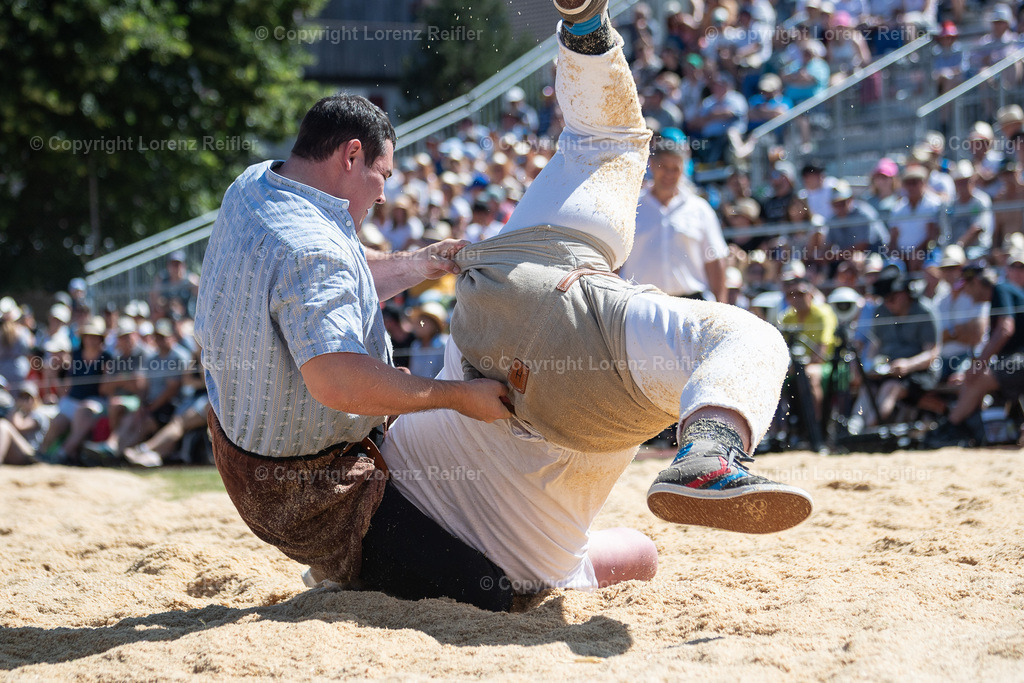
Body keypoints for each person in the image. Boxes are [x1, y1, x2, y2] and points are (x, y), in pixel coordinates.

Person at [374, 1, 813, 611]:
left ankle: (713, 445)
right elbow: (644, 553)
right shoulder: (393, 512)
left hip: (577, 366)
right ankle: (584, 28)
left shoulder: (543, 559)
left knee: (744, 340)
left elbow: (636, 554)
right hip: (501, 310)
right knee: (606, 147)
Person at [194, 91, 511, 606]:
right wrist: (457, 395)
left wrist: (417, 264)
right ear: (351, 155)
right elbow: (336, 380)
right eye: (382, 174)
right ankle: (347, 568)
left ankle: (355, 569)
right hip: (310, 494)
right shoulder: (312, 250)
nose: (384, 194)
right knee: (490, 592)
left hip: (249, 457)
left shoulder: (253, 184)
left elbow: (335, 279)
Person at [620, 143, 729, 302]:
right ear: (651, 165)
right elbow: (616, 260)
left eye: (675, 168)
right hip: (640, 303)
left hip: (691, 303)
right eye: (664, 166)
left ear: (683, 169)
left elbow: (714, 260)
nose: (669, 174)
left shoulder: (700, 210)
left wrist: (722, 307)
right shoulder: (631, 208)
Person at [928, 266, 1024, 446]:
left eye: (967, 286)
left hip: (1019, 359)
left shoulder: (1001, 289)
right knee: (974, 377)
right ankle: (961, 428)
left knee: (979, 377)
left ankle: (951, 428)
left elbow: (1005, 329)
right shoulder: (998, 294)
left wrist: (979, 365)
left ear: (977, 282)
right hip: (1014, 359)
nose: (965, 292)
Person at [863, 267, 941, 422]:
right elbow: (875, 344)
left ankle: (871, 427)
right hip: (888, 370)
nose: (888, 303)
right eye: (885, 299)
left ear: (905, 293)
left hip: (920, 373)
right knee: (867, 386)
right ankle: (855, 428)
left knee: (889, 388)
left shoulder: (924, 311)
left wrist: (908, 365)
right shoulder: (881, 311)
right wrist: (868, 365)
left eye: (892, 298)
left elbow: (932, 353)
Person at [888, 164, 942, 271]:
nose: (911, 187)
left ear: (923, 183)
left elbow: (932, 236)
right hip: (902, 256)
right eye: (908, 183)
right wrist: (899, 255)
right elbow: (893, 238)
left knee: (929, 269)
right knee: (890, 272)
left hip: (927, 252)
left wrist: (915, 253)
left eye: (915, 182)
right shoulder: (898, 208)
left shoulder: (933, 205)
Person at [0, 381, 49, 465]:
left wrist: (16, 408)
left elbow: (20, 426)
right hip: (15, 451)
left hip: (30, 454)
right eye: (22, 397)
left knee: (4, 425)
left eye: (28, 397)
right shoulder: (19, 413)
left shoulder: (39, 415)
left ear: (35, 399)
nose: (25, 401)